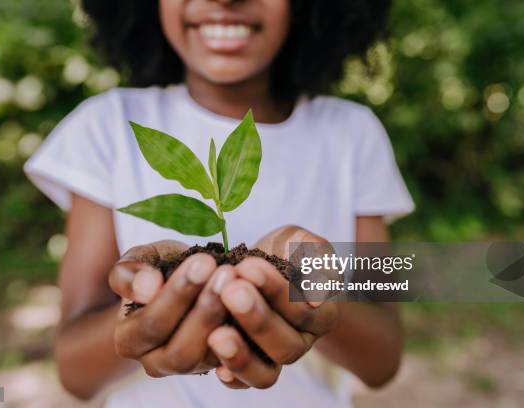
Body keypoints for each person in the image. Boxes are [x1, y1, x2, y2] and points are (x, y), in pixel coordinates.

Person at [24, 0, 414, 406]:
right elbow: (74, 370)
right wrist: (150, 312)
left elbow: (383, 359)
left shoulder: (352, 134)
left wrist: (312, 293)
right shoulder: (106, 128)